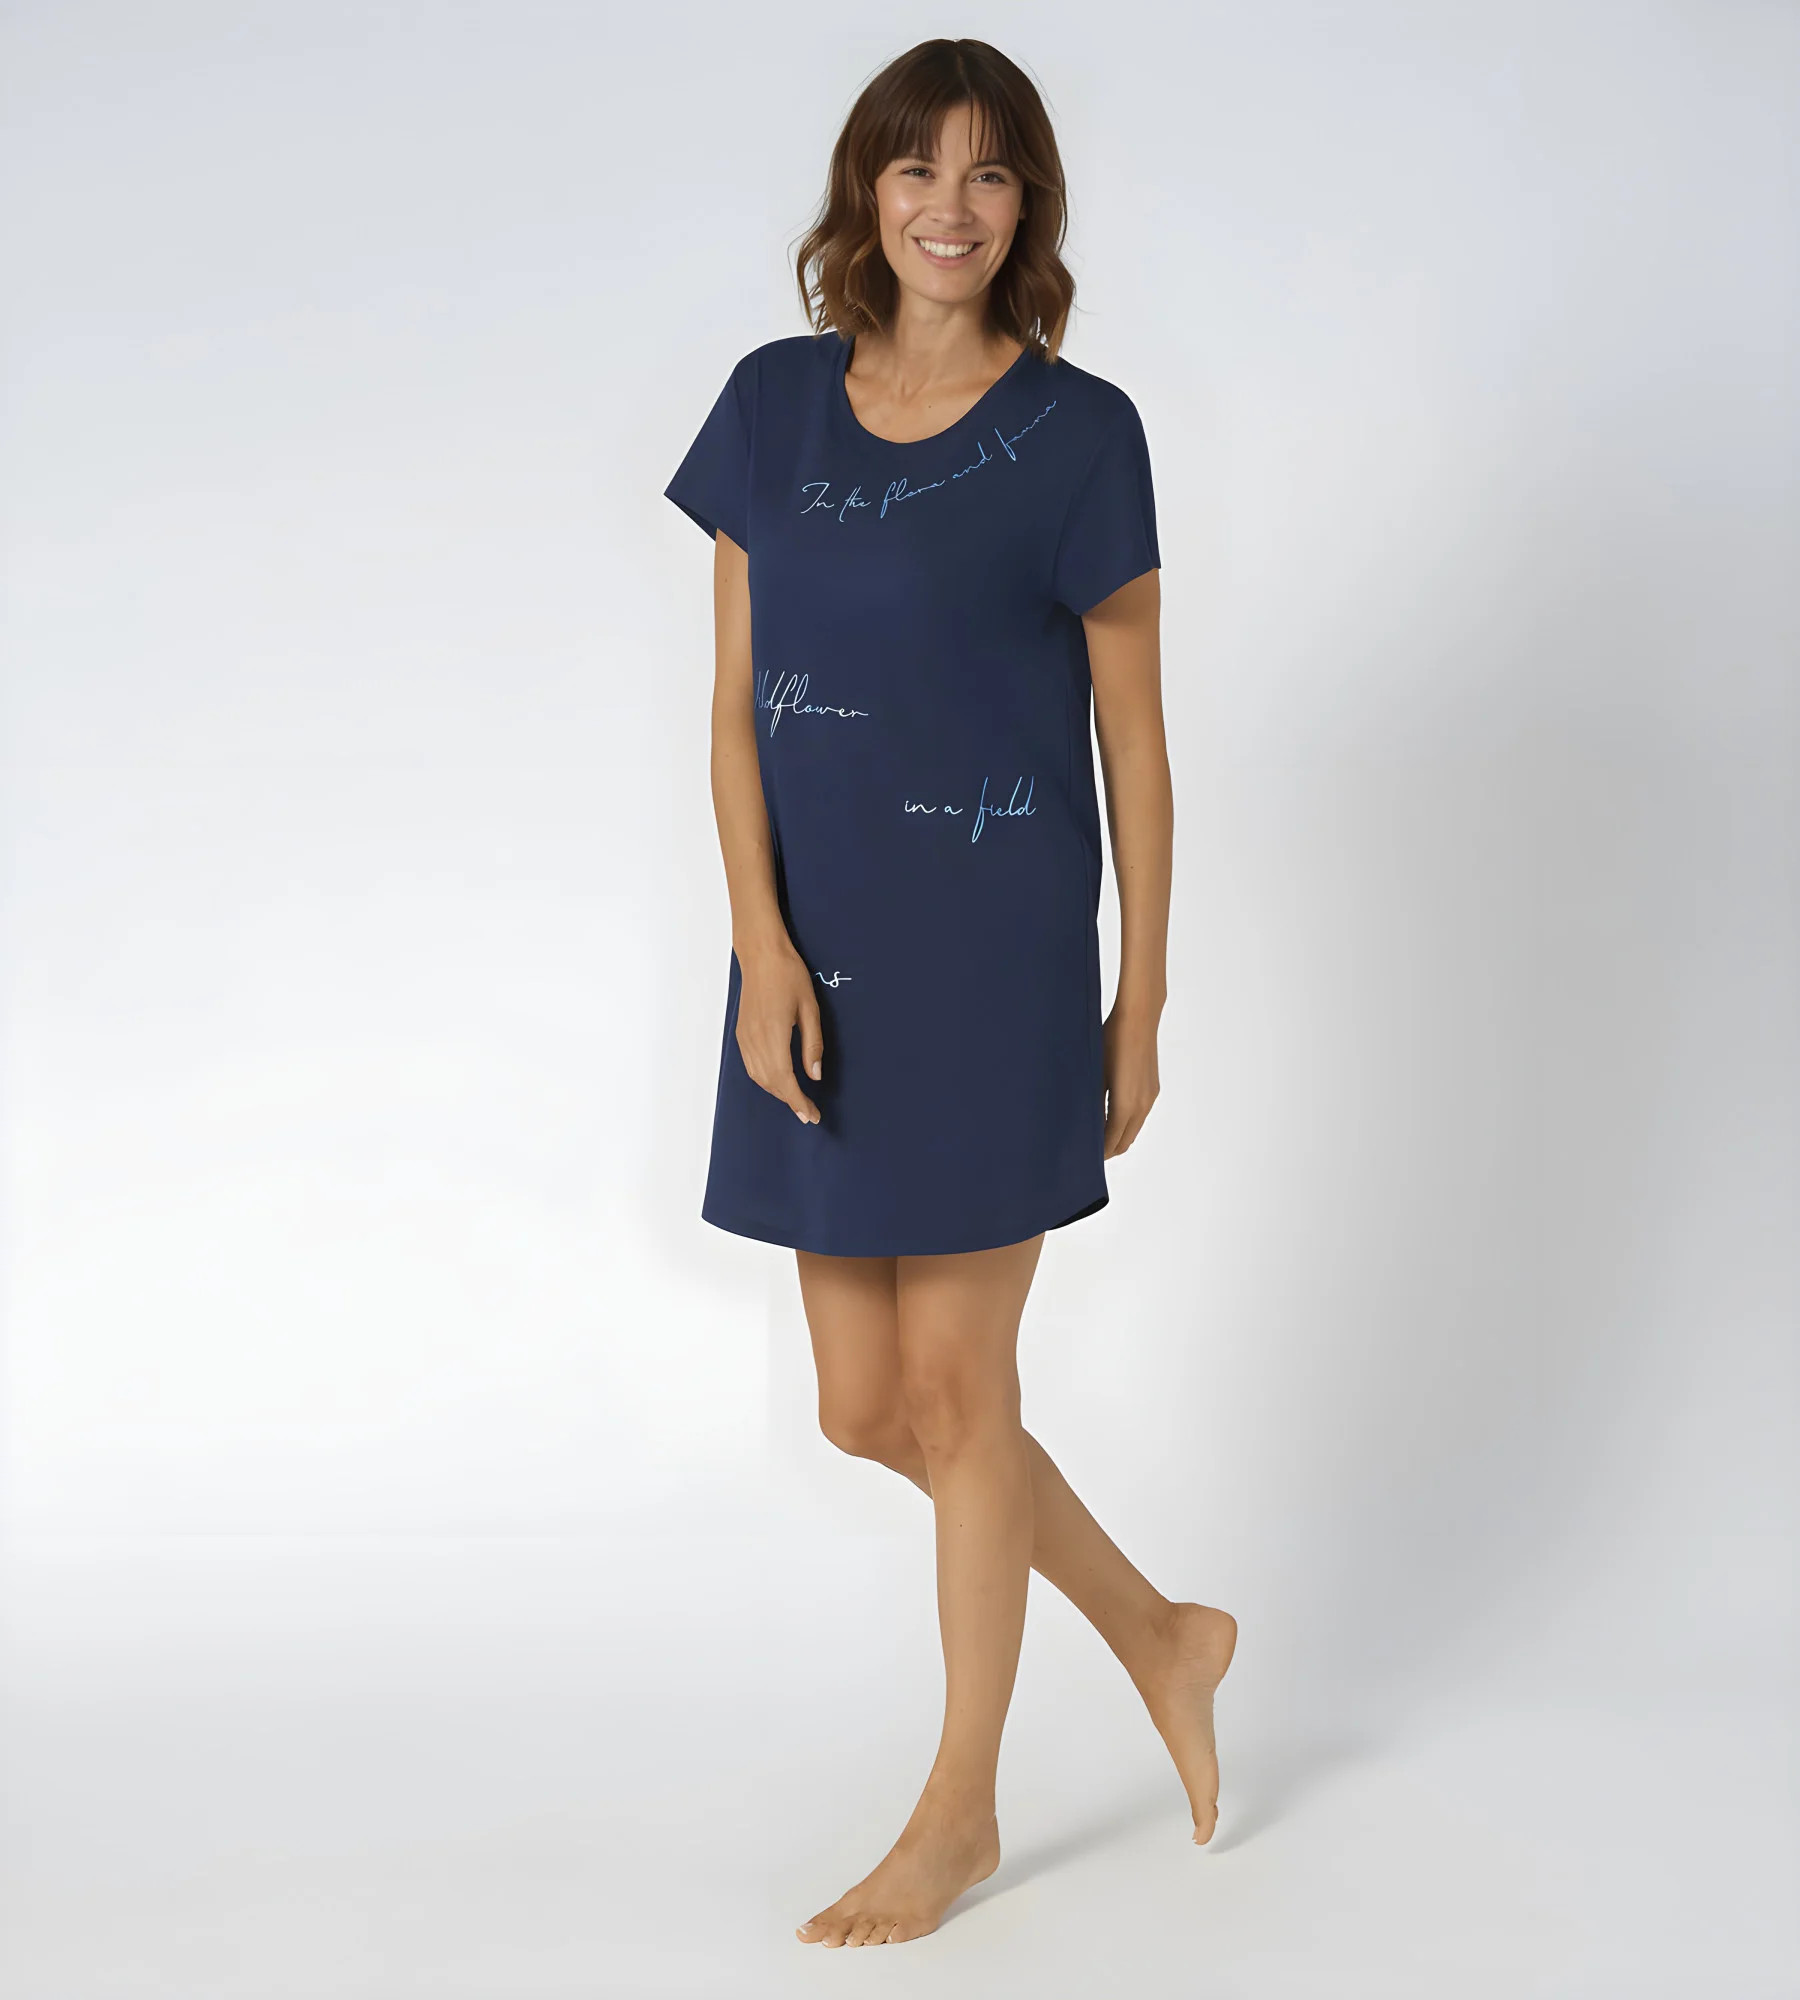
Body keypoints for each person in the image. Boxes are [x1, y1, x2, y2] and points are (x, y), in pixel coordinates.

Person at [664, 36, 1236, 1950]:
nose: (951, 207)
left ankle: (961, 1810)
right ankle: (1161, 1633)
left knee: (960, 1391)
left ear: (1029, 206)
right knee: (863, 1408)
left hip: (997, 970)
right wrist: (757, 945)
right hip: (814, 969)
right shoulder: (770, 407)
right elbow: (732, 711)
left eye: (992, 175)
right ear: (868, 190)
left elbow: (1136, 744)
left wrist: (1141, 1000)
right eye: (919, 170)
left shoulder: (1082, 435)